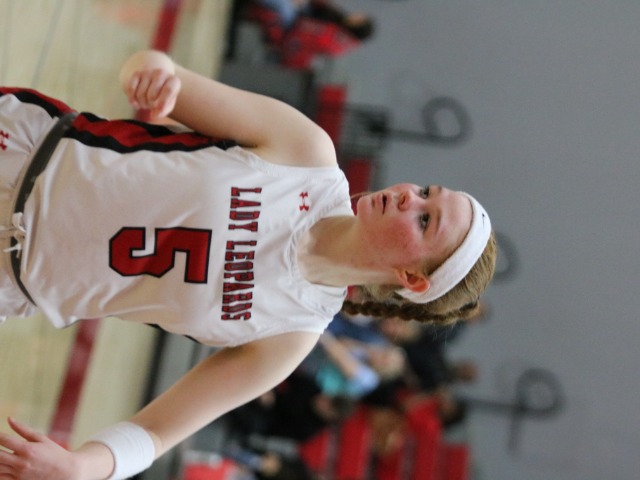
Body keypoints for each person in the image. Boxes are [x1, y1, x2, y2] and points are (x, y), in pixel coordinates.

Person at [0, 48, 496, 480]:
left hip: (11, 282)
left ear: (411, 279)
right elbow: (156, 68)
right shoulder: (307, 153)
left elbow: (156, 432)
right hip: (23, 150)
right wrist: (152, 78)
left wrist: (82, 468)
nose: (410, 196)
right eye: (426, 191)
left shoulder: (289, 336)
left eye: (425, 220)